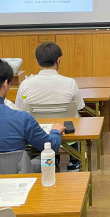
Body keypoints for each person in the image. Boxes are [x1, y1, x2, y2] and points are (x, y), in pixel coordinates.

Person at [16, 42, 85, 171]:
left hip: (38, 133)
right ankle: (74, 161)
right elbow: (79, 107)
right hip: (65, 130)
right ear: (58, 60)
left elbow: (19, 110)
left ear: (37, 62)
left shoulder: (25, 84)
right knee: (77, 117)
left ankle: (44, 156)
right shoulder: (70, 83)